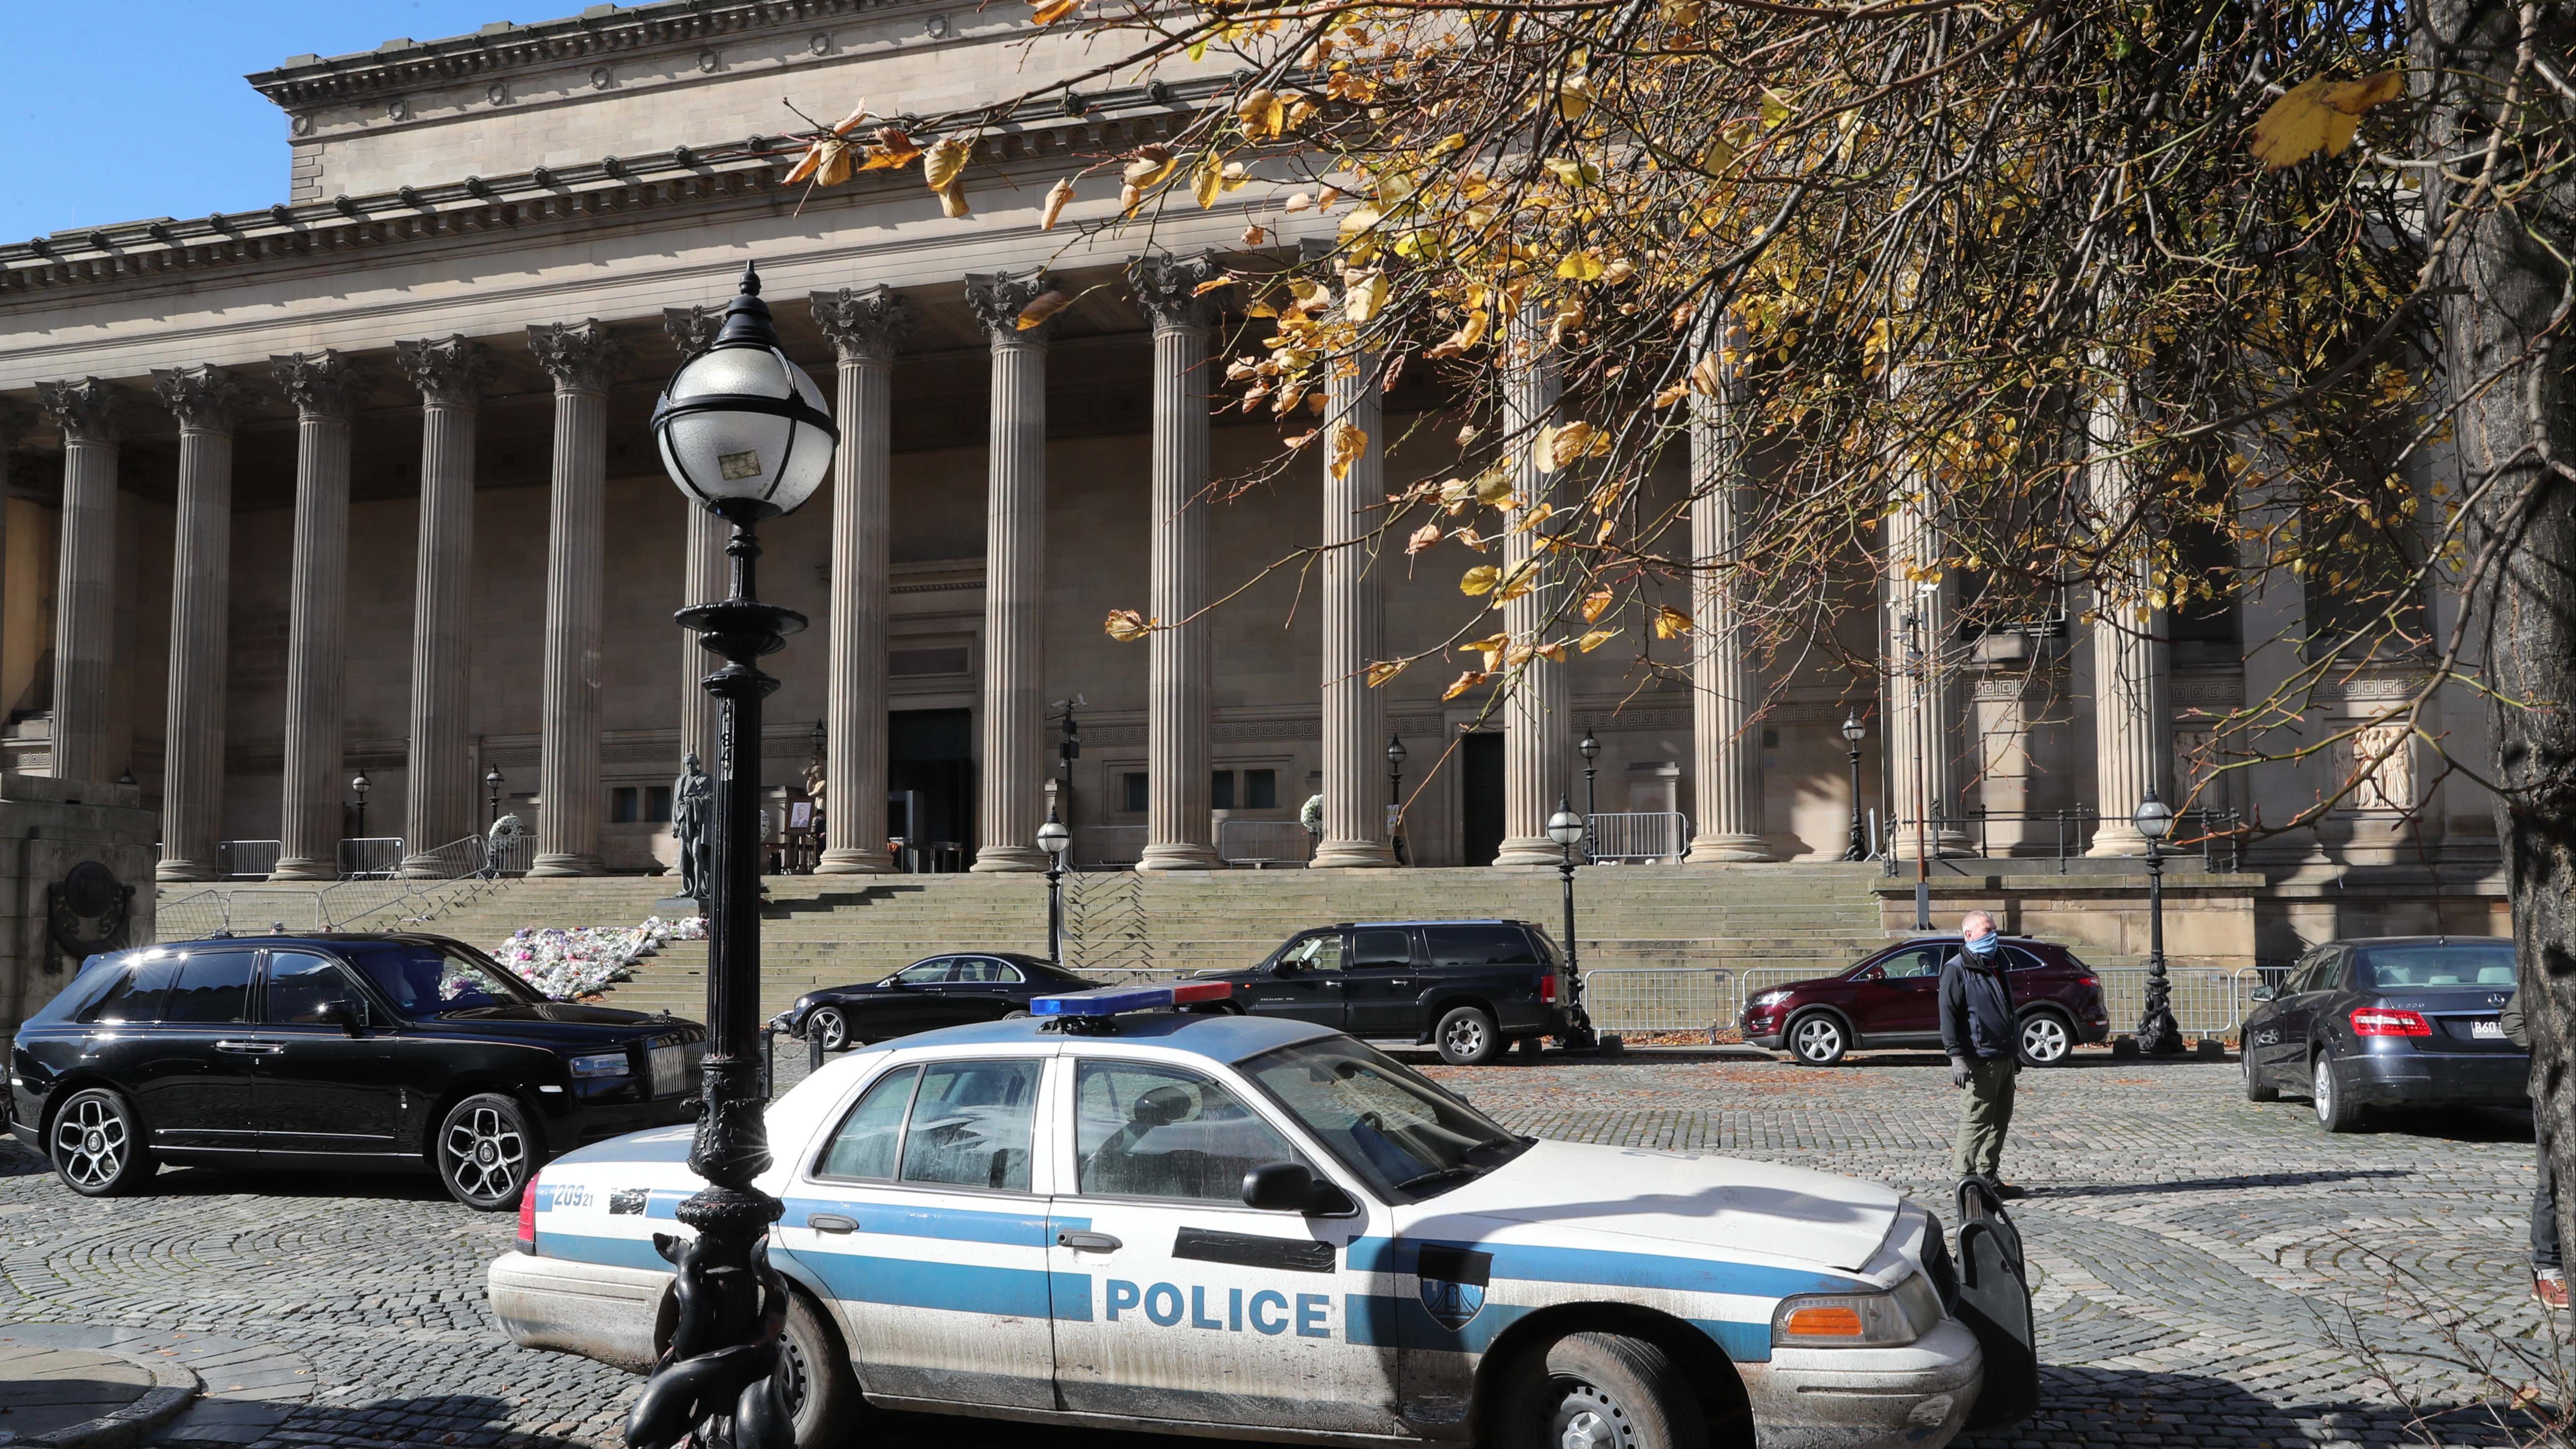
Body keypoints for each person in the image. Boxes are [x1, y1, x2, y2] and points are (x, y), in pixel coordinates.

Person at [1940, 909, 2023, 1197]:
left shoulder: (1996, 962)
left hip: (2004, 1056)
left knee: (2000, 1120)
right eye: (1988, 930)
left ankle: (1989, 1177)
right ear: (1969, 935)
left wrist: (2015, 1051)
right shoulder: (1956, 969)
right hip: (1979, 1059)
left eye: (1994, 929)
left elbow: (2008, 1009)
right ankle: (1965, 1180)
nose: (1994, 935)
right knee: (1976, 1120)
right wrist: (1957, 1057)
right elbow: (1949, 1016)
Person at [2503, 991, 2565, 1307]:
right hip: (2555, 1093)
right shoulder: (2548, 962)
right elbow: (2513, 1021)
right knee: (2552, 1180)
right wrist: (2558, 1046)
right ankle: (2547, 1269)